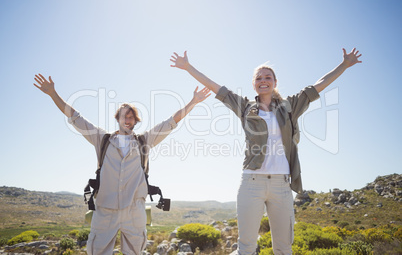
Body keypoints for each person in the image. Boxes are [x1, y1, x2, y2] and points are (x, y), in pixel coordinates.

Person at [170, 48, 362, 255]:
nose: (263, 80)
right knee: (246, 247)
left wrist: (344, 65)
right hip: (251, 183)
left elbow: (317, 87)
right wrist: (189, 67)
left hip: (282, 185)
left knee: (283, 247)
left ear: (275, 82)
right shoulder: (244, 107)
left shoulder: (290, 106)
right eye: (259, 78)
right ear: (254, 84)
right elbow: (217, 88)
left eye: (268, 77)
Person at [34, 73, 211, 255]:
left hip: (134, 211)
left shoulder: (145, 141)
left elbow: (170, 123)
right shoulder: (101, 139)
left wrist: (193, 102)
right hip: (105, 209)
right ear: (117, 118)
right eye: (124, 116)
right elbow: (76, 118)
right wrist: (53, 94)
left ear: (135, 121)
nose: (127, 120)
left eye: (131, 117)